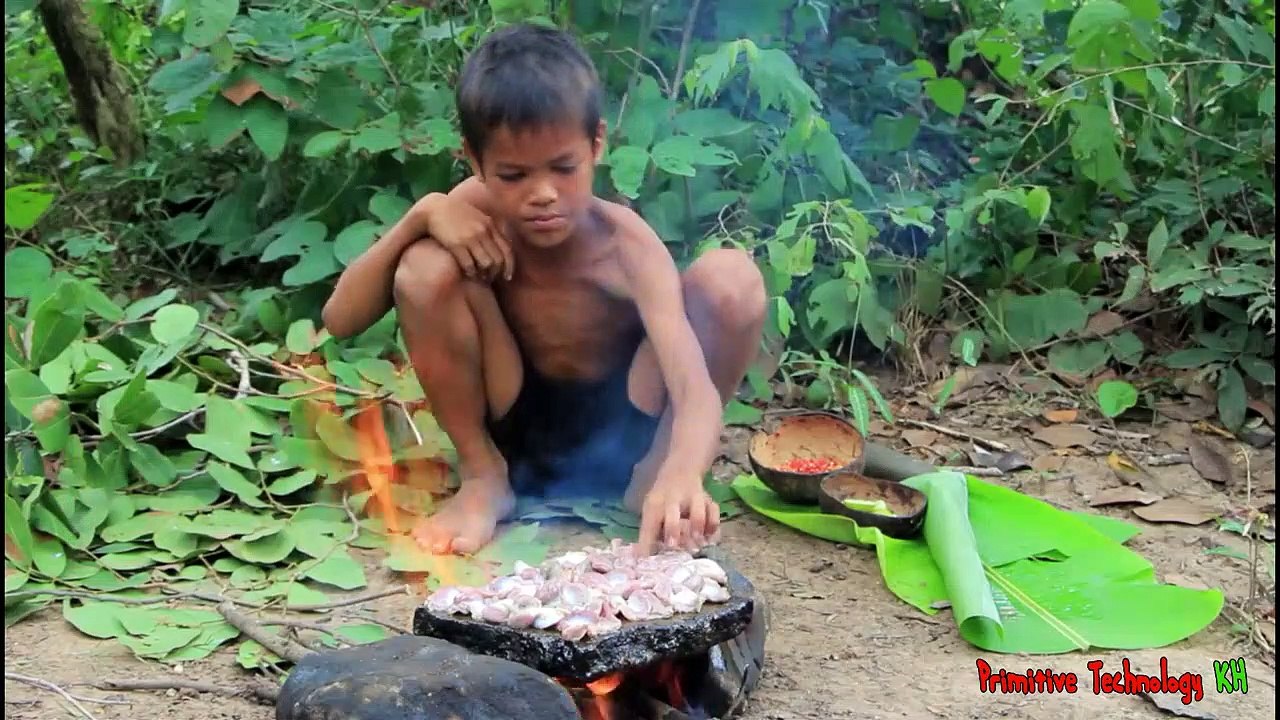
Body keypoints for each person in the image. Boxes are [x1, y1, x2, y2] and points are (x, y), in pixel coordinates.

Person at [321, 23, 766, 557]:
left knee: (731, 278)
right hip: (516, 419)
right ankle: (485, 478)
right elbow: (341, 319)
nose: (543, 195)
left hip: (626, 425)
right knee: (422, 267)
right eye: (513, 175)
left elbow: (693, 389)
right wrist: (423, 215)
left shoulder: (627, 247)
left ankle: (657, 483)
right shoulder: (468, 210)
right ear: (474, 159)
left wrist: (683, 469)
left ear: (596, 143)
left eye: (563, 167)